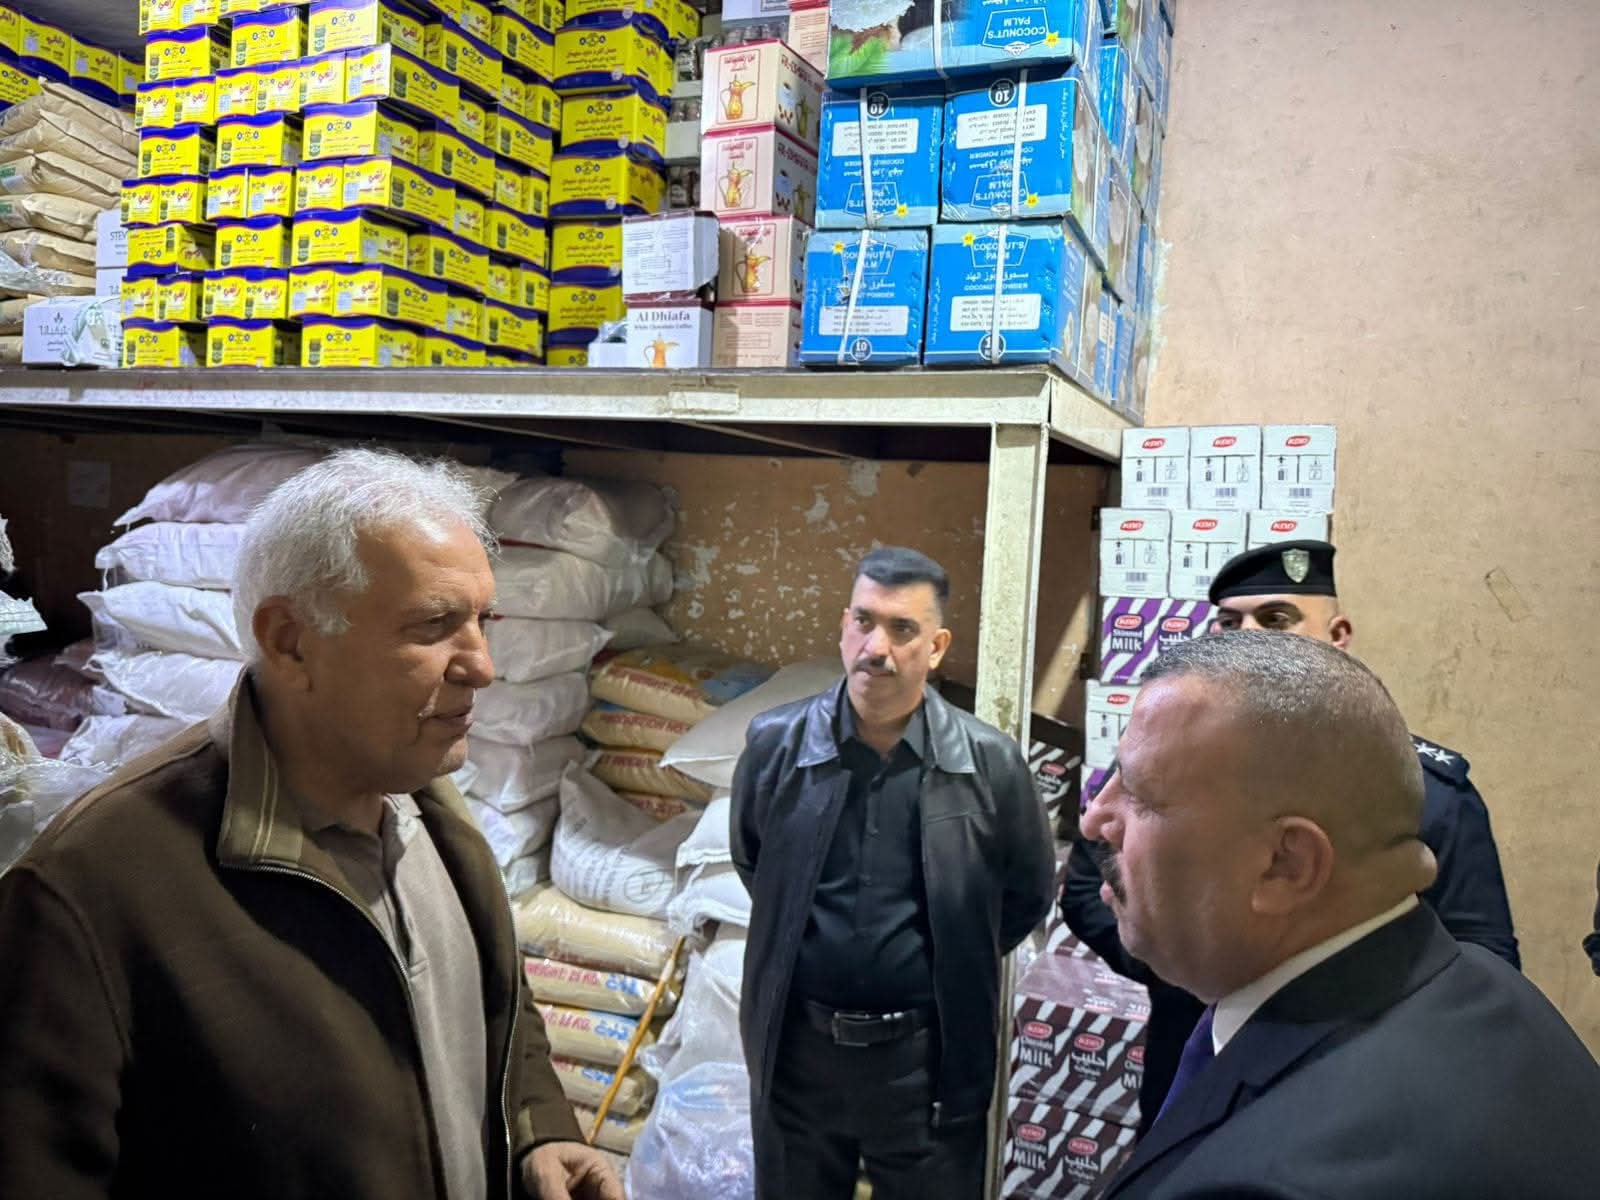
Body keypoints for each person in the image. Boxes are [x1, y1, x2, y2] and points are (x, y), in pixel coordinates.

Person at [0, 449, 621, 1200]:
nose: (482, 666)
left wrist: (539, 1129)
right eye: (434, 625)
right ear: (291, 641)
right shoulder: (90, 893)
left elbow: (497, 1016)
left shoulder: (433, 818)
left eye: (481, 621)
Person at [1083, 633, 1600, 1198]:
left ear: (1285, 865)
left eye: (1141, 794)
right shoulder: (1482, 985)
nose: (1095, 818)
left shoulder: (1265, 1183)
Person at [1060, 538, 1519, 1133]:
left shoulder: (1421, 786)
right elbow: (1088, 887)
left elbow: (1482, 952)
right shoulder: (1162, 761)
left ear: (1337, 634)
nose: (1248, 637)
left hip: (1352, 1084)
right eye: (1230, 623)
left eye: (1277, 619)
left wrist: (1297, 984)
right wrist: (1188, 959)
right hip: (1193, 1058)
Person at [731, 546, 1054, 1200]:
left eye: (901, 629)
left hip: (925, 1068)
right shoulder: (775, 747)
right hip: (797, 1060)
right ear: (843, 627)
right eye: (863, 621)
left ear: (936, 648)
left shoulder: (990, 766)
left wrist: (951, 956)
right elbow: (755, 863)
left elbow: (1025, 895)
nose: (875, 647)